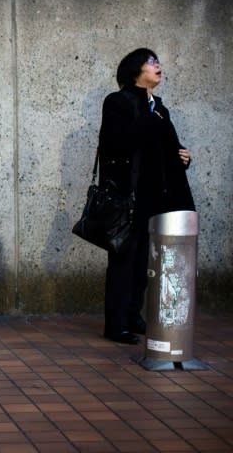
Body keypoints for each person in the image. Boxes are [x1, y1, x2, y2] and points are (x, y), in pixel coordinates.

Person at [98, 48, 195, 344]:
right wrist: (151, 117)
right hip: (128, 195)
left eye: (157, 62)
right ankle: (116, 325)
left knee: (144, 262)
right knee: (123, 260)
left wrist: (184, 157)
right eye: (152, 62)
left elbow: (168, 147)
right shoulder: (117, 102)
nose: (158, 66)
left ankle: (133, 315)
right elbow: (116, 142)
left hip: (155, 196)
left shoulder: (159, 107)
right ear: (134, 69)